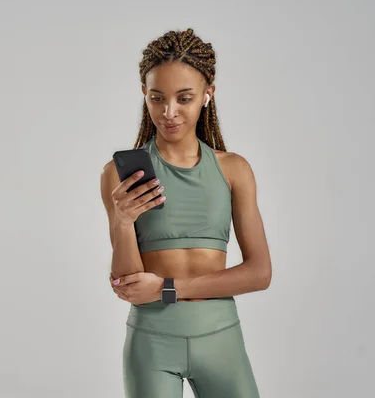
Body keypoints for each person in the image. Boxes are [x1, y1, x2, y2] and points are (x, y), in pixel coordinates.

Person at [100, 28, 272, 398]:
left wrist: (166, 290)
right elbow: (127, 284)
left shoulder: (234, 170)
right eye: (157, 98)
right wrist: (123, 219)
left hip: (221, 339)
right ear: (143, 95)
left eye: (185, 98)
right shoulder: (118, 174)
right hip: (151, 344)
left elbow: (260, 273)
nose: (169, 112)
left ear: (208, 93)